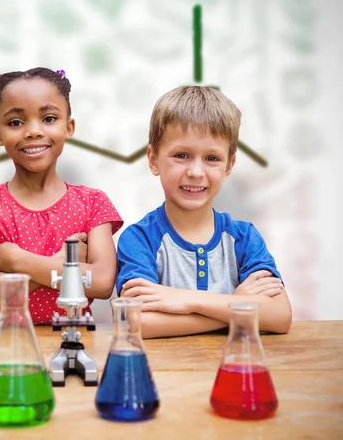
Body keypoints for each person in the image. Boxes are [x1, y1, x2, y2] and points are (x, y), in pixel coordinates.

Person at [116, 86, 292, 338]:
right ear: (153, 160)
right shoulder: (138, 239)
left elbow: (280, 316)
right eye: (182, 155)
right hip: (166, 376)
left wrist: (186, 300)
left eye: (211, 158)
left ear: (229, 166)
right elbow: (135, 323)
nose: (196, 172)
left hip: (235, 373)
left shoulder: (244, 237)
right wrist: (236, 307)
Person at [0, 67, 123, 325]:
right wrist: (65, 265)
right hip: (4, 351)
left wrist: (16, 260)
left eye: (48, 118)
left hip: (76, 347)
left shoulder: (93, 203)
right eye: (15, 123)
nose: (33, 131)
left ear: (69, 127)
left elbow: (100, 283)